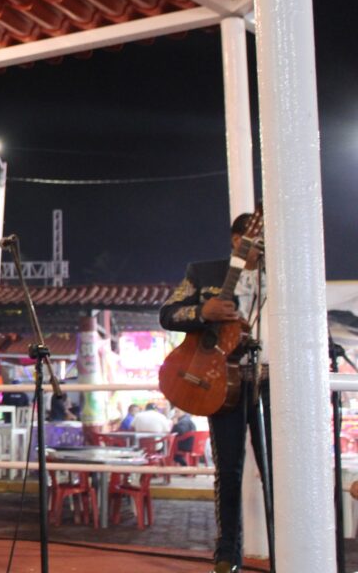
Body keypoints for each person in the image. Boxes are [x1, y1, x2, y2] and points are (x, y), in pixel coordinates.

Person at [159, 212, 268, 573]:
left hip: (271, 380)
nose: (261, 242)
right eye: (255, 236)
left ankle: (284, 543)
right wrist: (202, 311)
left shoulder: (284, 272)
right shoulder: (203, 272)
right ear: (238, 239)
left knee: (276, 469)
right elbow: (168, 313)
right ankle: (227, 552)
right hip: (222, 378)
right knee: (229, 467)